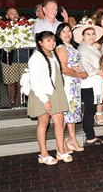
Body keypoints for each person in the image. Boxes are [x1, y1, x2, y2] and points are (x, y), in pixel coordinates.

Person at [27, 31, 71, 165]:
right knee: (43, 123)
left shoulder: (53, 54)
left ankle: (61, 151)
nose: (51, 42)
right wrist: (44, 99)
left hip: (55, 93)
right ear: (40, 43)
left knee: (59, 121)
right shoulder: (36, 57)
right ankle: (43, 154)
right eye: (47, 40)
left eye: (53, 40)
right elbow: (34, 81)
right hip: (43, 94)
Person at [75, 24, 103, 146]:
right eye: (88, 34)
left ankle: (90, 135)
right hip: (88, 84)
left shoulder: (91, 47)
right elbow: (87, 67)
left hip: (94, 83)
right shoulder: (82, 49)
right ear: (83, 36)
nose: (91, 36)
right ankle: (89, 136)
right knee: (90, 110)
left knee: (91, 109)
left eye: (93, 34)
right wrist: (100, 72)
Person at [55, 23, 88, 153]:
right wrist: (78, 74)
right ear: (59, 34)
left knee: (72, 112)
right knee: (65, 113)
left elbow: (76, 65)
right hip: (67, 84)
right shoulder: (61, 48)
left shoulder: (72, 47)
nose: (67, 34)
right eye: (64, 31)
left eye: (69, 31)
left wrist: (81, 73)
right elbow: (63, 69)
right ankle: (61, 143)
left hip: (75, 82)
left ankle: (72, 139)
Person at [1, 7, 29, 106]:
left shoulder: (26, 25)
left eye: (16, 12)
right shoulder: (3, 27)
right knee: (10, 82)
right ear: (7, 16)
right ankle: (12, 103)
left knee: (22, 82)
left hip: (23, 58)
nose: (15, 15)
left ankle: (22, 103)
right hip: (9, 59)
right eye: (12, 13)